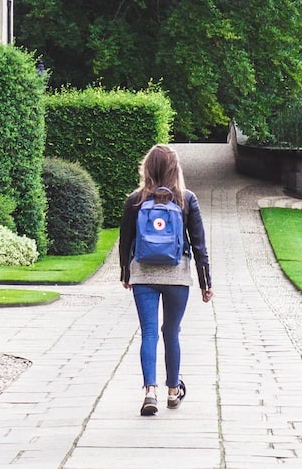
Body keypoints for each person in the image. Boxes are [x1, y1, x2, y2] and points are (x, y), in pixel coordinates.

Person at [119, 144, 213, 417]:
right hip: (177, 275)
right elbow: (199, 245)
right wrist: (205, 282)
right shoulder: (186, 199)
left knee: (148, 332)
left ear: (147, 168)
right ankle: (173, 391)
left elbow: (125, 242)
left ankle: (150, 391)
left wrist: (126, 273)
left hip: (143, 274)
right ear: (175, 168)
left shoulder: (136, 200)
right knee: (171, 332)